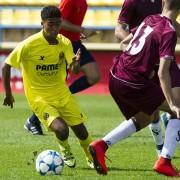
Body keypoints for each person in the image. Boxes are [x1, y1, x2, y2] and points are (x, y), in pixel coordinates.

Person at [89, 0, 180, 177]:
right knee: (177, 111)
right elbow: (163, 73)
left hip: (116, 74)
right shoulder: (169, 32)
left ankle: (101, 145)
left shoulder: (150, 19)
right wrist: (172, 104)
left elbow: (127, 41)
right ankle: (164, 161)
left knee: (145, 117)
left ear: (163, 4)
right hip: (133, 82)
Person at [2, 6, 94, 169]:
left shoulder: (64, 42)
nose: (54, 28)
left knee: (82, 131)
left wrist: (75, 64)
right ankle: (65, 150)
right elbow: (6, 66)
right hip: (39, 97)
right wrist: (8, 94)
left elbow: (74, 70)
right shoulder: (29, 44)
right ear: (42, 23)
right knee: (62, 130)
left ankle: (91, 157)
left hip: (62, 94)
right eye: (50, 24)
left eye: (58, 24)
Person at [24, 0, 100, 135]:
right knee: (55, 87)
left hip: (75, 43)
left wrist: (79, 33)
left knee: (94, 76)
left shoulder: (83, 2)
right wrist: (81, 29)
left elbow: (70, 22)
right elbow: (60, 21)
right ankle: (33, 120)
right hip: (61, 44)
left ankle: (63, 98)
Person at [115, 0, 168, 156]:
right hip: (142, 63)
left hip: (162, 58)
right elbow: (119, 30)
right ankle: (161, 149)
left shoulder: (164, 2)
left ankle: (164, 144)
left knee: (169, 101)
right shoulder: (132, 2)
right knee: (153, 109)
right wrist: (135, 48)